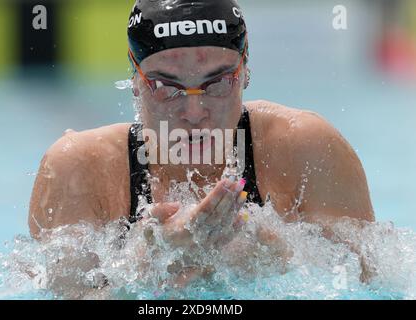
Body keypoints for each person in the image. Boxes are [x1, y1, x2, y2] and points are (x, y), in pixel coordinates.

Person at [29, 0, 374, 283]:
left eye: (218, 83)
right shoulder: (78, 168)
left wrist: (272, 256)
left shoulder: (307, 149)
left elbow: (372, 282)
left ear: (245, 72)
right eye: (165, 87)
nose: (194, 112)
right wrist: (147, 267)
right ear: (135, 80)